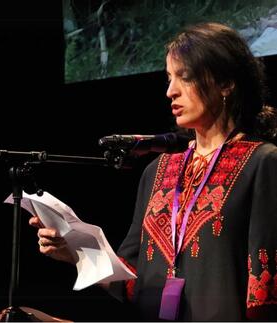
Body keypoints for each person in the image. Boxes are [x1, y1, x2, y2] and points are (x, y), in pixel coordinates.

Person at [29, 22, 277, 320]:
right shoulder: (158, 170)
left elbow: (266, 285)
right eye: (169, 78)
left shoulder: (262, 162)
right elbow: (133, 283)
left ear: (226, 83)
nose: (170, 91)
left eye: (184, 77)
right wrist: (76, 252)